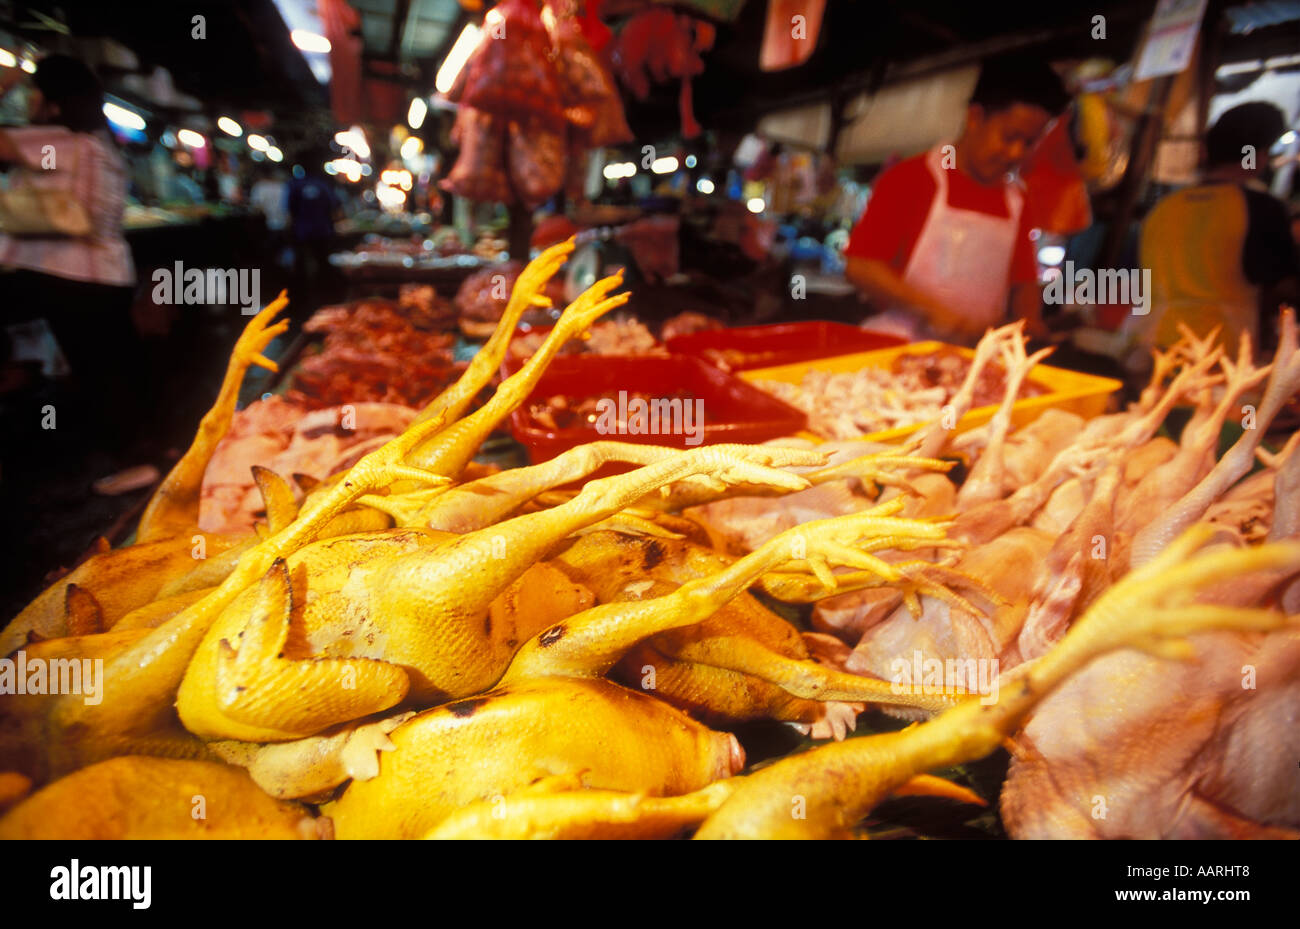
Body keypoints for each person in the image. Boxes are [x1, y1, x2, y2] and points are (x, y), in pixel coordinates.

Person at [844, 55, 1070, 344]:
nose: (1016, 153)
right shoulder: (911, 178)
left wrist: (1031, 324)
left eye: (1029, 143)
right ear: (976, 117)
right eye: (1009, 136)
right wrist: (929, 309)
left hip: (978, 356)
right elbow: (861, 266)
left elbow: (1022, 283)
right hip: (901, 345)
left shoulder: (1017, 201)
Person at [0, 55, 138, 448]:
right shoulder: (101, 144)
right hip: (108, 276)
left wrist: (5, 83)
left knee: (103, 377)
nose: (27, 100)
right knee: (111, 373)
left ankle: (131, 464)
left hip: (73, 279)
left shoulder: (55, 143)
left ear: (51, 98)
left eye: (33, 92)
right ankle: (139, 460)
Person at [1137, 102, 1299, 353]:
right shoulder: (1261, 208)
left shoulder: (1165, 207)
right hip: (1221, 348)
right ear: (1253, 155)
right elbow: (1279, 282)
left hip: (1156, 338)